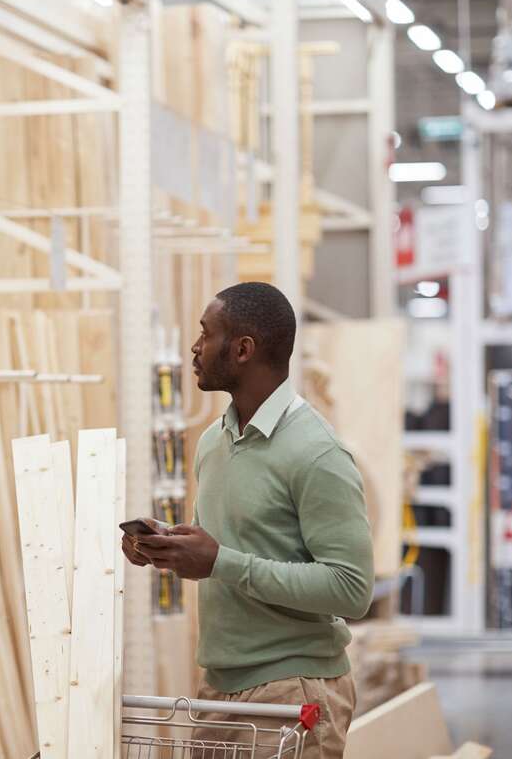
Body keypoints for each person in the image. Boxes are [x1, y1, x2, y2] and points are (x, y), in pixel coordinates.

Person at [123, 282, 374, 759]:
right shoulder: (214, 442)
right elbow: (228, 551)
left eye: (205, 333)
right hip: (219, 689)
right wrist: (167, 550)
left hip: (293, 690)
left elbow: (351, 589)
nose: (195, 347)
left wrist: (220, 562)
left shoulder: (317, 452)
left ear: (242, 349)